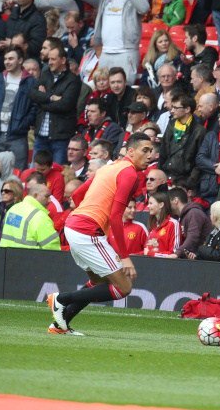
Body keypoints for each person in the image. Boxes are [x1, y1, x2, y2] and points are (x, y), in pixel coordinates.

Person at [47, 134, 155, 335]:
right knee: (124, 287)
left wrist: (85, 214)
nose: (150, 155)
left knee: (98, 283)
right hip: (87, 231)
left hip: (74, 226)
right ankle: (61, 299)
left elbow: (78, 194)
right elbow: (115, 216)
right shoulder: (129, 173)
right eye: (145, 150)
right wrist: (125, 258)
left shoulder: (108, 167)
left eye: (152, 151)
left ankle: (59, 325)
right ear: (130, 151)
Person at [78, 0, 148, 82]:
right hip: (106, 52)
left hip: (126, 52)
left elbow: (144, 8)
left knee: (125, 85)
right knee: (103, 85)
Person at [29, 45, 81, 164]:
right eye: (49, 59)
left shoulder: (73, 80)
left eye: (53, 59)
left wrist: (42, 100)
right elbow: (32, 93)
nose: (50, 62)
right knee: (36, 174)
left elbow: (65, 105)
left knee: (58, 172)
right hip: (41, 135)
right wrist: (51, 97)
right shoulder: (45, 74)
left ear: (63, 60)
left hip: (60, 138)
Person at [0, 47, 34, 169]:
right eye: (5, 59)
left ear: (20, 60)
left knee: (18, 174)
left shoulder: (30, 82)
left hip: (17, 136)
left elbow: (34, 107)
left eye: (11, 58)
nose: (7, 62)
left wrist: (22, 125)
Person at [158, 93, 206, 193]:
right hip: (166, 176)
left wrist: (190, 183)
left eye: (176, 108)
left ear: (187, 109)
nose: (172, 111)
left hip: (184, 181)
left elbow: (199, 160)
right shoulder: (171, 124)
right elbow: (163, 152)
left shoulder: (199, 131)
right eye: (172, 107)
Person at [0, 180, 61, 250]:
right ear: (35, 195)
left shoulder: (13, 209)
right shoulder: (40, 217)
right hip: (30, 259)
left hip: (6, 258)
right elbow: (53, 249)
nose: (49, 200)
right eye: (47, 196)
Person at [169, 186, 213, 259]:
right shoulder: (182, 216)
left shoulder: (194, 213)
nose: (167, 205)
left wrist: (177, 254)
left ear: (175, 200)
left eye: (168, 201)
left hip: (201, 260)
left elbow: (193, 237)